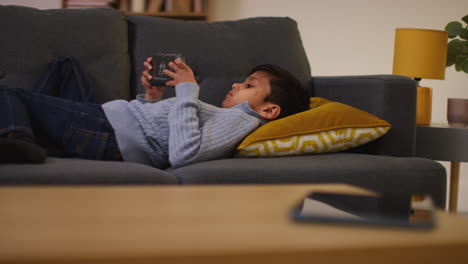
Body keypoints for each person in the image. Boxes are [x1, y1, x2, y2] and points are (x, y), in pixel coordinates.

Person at [0, 56, 309, 168]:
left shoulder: (239, 121)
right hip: (108, 121)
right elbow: (157, 128)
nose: (236, 84)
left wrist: (188, 88)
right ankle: (36, 128)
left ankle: (20, 138)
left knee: (9, 93)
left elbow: (182, 154)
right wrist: (152, 96)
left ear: (269, 109)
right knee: (64, 67)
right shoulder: (225, 116)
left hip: (105, 132)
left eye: (249, 85)